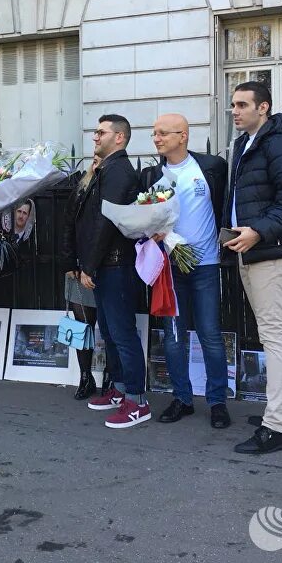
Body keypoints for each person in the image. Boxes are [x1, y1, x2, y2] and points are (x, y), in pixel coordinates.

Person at [224, 81, 282, 454]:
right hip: (252, 250)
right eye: (232, 105)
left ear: (264, 108)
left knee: (273, 335)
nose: (235, 111)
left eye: (243, 105)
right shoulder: (245, 143)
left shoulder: (276, 142)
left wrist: (258, 232)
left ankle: (276, 427)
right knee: (278, 333)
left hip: (270, 251)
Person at [140, 114, 231, 429]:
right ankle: (182, 398)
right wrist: (151, 232)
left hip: (206, 265)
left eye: (163, 133)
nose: (157, 138)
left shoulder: (211, 167)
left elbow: (225, 206)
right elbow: (145, 218)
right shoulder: (152, 174)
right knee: (174, 337)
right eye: (154, 133)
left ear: (183, 136)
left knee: (210, 335)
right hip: (170, 267)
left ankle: (217, 401)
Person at [73, 115, 149, 428]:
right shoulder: (107, 168)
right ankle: (118, 389)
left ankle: (137, 401)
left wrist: (89, 265)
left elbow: (106, 221)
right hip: (106, 264)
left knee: (122, 333)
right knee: (110, 331)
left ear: (119, 137)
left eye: (101, 132)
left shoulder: (119, 171)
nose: (95, 137)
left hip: (116, 264)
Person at [60, 155, 107, 401]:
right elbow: (67, 226)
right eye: (96, 160)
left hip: (107, 266)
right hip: (79, 267)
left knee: (112, 327)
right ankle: (85, 376)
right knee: (82, 326)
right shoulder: (80, 190)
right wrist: (69, 262)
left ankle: (110, 376)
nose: (98, 164)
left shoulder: (114, 187)